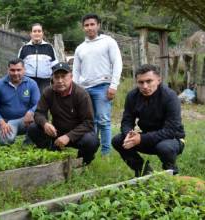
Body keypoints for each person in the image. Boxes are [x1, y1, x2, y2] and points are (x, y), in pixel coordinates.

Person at [112, 64, 185, 177]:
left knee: (164, 148)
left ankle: (171, 173)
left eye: (149, 81)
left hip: (172, 139)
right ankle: (143, 171)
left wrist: (141, 138)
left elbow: (171, 130)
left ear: (158, 80)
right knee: (118, 140)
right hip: (147, 138)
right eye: (141, 82)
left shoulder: (170, 97)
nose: (145, 86)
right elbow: (126, 121)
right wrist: (128, 134)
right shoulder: (132, 96)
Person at [27, 62, 99, 165]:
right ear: (52, 78)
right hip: (57, 132)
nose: (60, 81)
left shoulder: (81, 94)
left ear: (71, 77)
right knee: (33, 128)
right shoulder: (48, 92)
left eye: (63, 76)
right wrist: (45, 123)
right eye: (57, 77)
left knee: (92, 141)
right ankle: (52, 154)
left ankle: (82, 163)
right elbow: (38, 113)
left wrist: (68, 136)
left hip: (77, 135)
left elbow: (88, 123)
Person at [73, 13, 123, 156]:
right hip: (84, 89)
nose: (89, 28)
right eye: (86, 25)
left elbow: (117, 63)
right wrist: (75, 90)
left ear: (98, 25)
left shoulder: (108, 42)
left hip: (103, 86)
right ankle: (91, 150)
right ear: (83, 28)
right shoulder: (80, 48)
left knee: (103, 120)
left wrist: (114, 85)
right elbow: (76, 71)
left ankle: (106, 153)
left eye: (92, 24)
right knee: (89, 122)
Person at [0, 58, 40, 145]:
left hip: (25, 121)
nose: (16, 73)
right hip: (7, 122)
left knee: (39, 120)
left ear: (24, 70)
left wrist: (31, 112)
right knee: (5, 141)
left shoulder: (32, 84)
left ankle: (28, 143)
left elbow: (38, 103)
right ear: (8, 70)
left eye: (18, 70)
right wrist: (1, 122)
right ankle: (5, 137)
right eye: (12, 70)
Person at [18, 23, 58, 92]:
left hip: (45, 82)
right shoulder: (24, 48)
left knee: (44, 101)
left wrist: (54, 81)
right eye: (34, 31)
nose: (37, 33)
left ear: (42, 33)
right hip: (28, 81)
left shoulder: (49, 47)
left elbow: (55, 65)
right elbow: (19, 66)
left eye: (39, 31)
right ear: (31, 33)